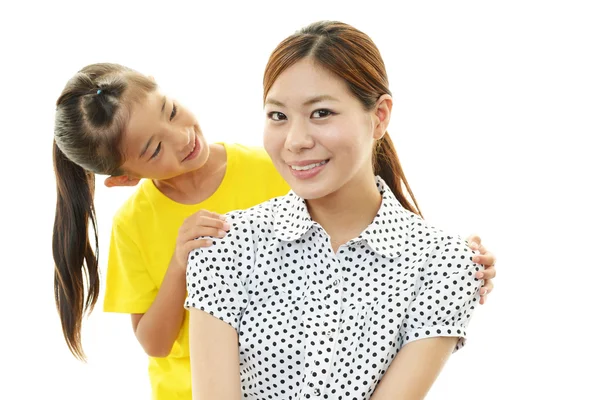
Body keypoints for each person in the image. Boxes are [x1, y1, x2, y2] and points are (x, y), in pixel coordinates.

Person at [52, 59, 496, 400]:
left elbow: (357, 214)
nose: (180, 136)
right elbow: (154, 342)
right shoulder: (134, 223)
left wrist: (451, 259)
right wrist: (179, 265)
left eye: (170, 111)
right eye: (153, 148)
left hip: (298, 365)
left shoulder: (276, 165)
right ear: (125, 177)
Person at [185, 21, 491, 400]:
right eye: (278, 116)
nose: (295, 141)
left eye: (321, 113)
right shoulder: (223, 247)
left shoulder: (446, 264)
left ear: (379, 116)